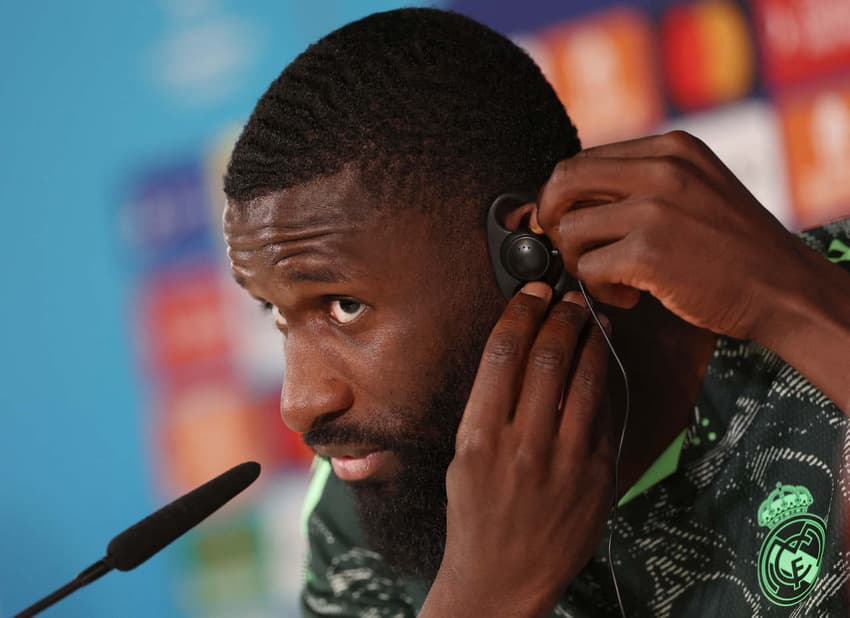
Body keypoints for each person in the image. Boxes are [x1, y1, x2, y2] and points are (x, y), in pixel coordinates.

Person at [221, 8, 850, 617]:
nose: (299, 403)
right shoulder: (364, 505)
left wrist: (795, 305)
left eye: (345, 305)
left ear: (529, 253)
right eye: (275, 314)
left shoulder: (817, 308)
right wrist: (483, 600)